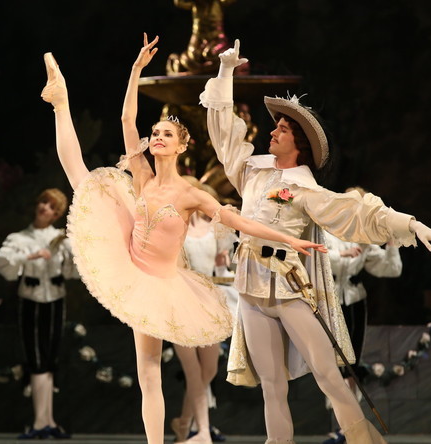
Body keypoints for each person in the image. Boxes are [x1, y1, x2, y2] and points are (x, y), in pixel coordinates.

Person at [41, 34, 326, 444]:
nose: (156, 136)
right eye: (154, 132)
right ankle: (61, 101)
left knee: (152, 370)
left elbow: (237, 220)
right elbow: (126, 122)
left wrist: (289, 240)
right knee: (80, 179)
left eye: (166, 134)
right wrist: (137, 71)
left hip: (162, 283)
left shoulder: (192, 194)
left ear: (181, 146)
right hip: (128, 262)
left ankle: (177, 435)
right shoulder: (140, 176)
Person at [199, 40, 431, 444]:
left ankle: (361, 440)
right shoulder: (253, 172)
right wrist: (225, 73)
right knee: (272, 384)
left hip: (289, 287)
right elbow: (223, 134)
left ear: (298, 142)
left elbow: (354, 212)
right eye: (276, 126)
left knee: (327, 374)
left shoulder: (305, 188)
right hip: (249, 286)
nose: (273, 131)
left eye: (282, 129)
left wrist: (411, 224)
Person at [0, 187, 78, 439]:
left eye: (51, 206)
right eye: (43, 202)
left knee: (49, 359)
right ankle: (40, 421)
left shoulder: (62, 238)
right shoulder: (20, 237)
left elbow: (76, 267)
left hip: (55, 300)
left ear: (56, 214)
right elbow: (2, 261)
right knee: (36, 359)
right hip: (31, 301)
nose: (45, 208)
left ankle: (47, 420)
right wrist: (31, 256)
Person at [321, 187, 403, 444]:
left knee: (352, 366)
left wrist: (391, 243)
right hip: (331, 300)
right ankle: (339, 426)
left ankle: (352, 429)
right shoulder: (327, 228)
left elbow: (391, 270)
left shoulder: (365, 236)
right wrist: (341, 254)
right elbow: (317, 255)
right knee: (334, 365)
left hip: (355, 299)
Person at [171, 176, 238, 443]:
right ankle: (202, 432)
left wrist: (224, 261)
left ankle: (184, 422)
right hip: (183, 299)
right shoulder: (176, 226)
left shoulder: (214, 229)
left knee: (208, 370)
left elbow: (224, 268)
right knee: (193, 370)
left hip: (210, 300)